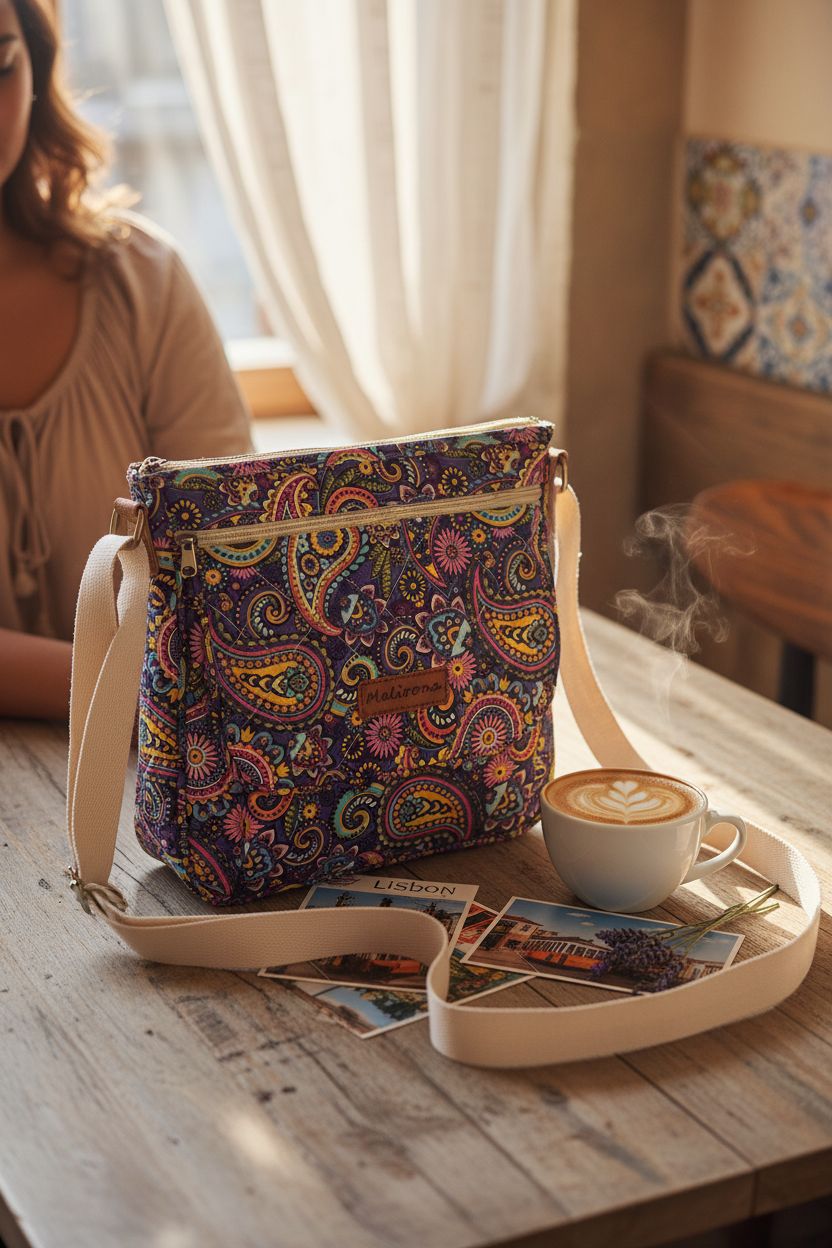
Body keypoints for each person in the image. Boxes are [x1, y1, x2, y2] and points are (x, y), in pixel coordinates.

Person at [0, 0, 253, 719]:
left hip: (164, 780)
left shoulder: (142, 279)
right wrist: (144, 700)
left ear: (40, 67)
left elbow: (230, 561)